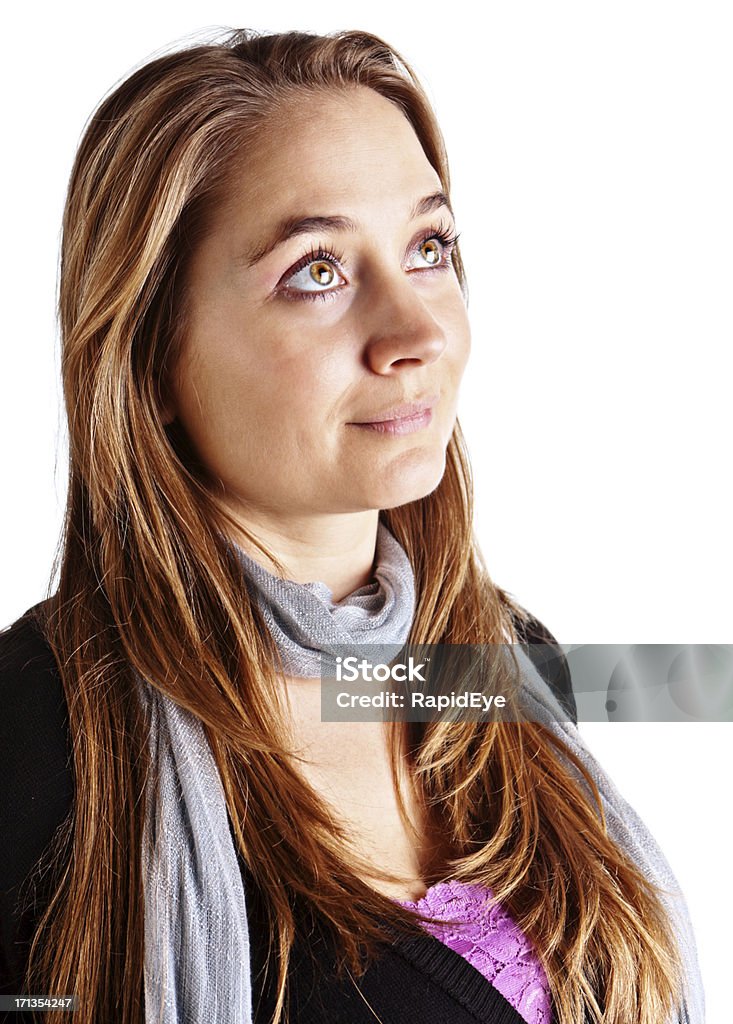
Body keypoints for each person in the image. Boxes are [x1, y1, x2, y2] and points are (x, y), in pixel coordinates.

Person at [0, 28, 703, 1024]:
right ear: (152, 355)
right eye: (317, 272)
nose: (416, 332)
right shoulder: (43, 735)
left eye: (429, 248)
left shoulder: (501, 663)